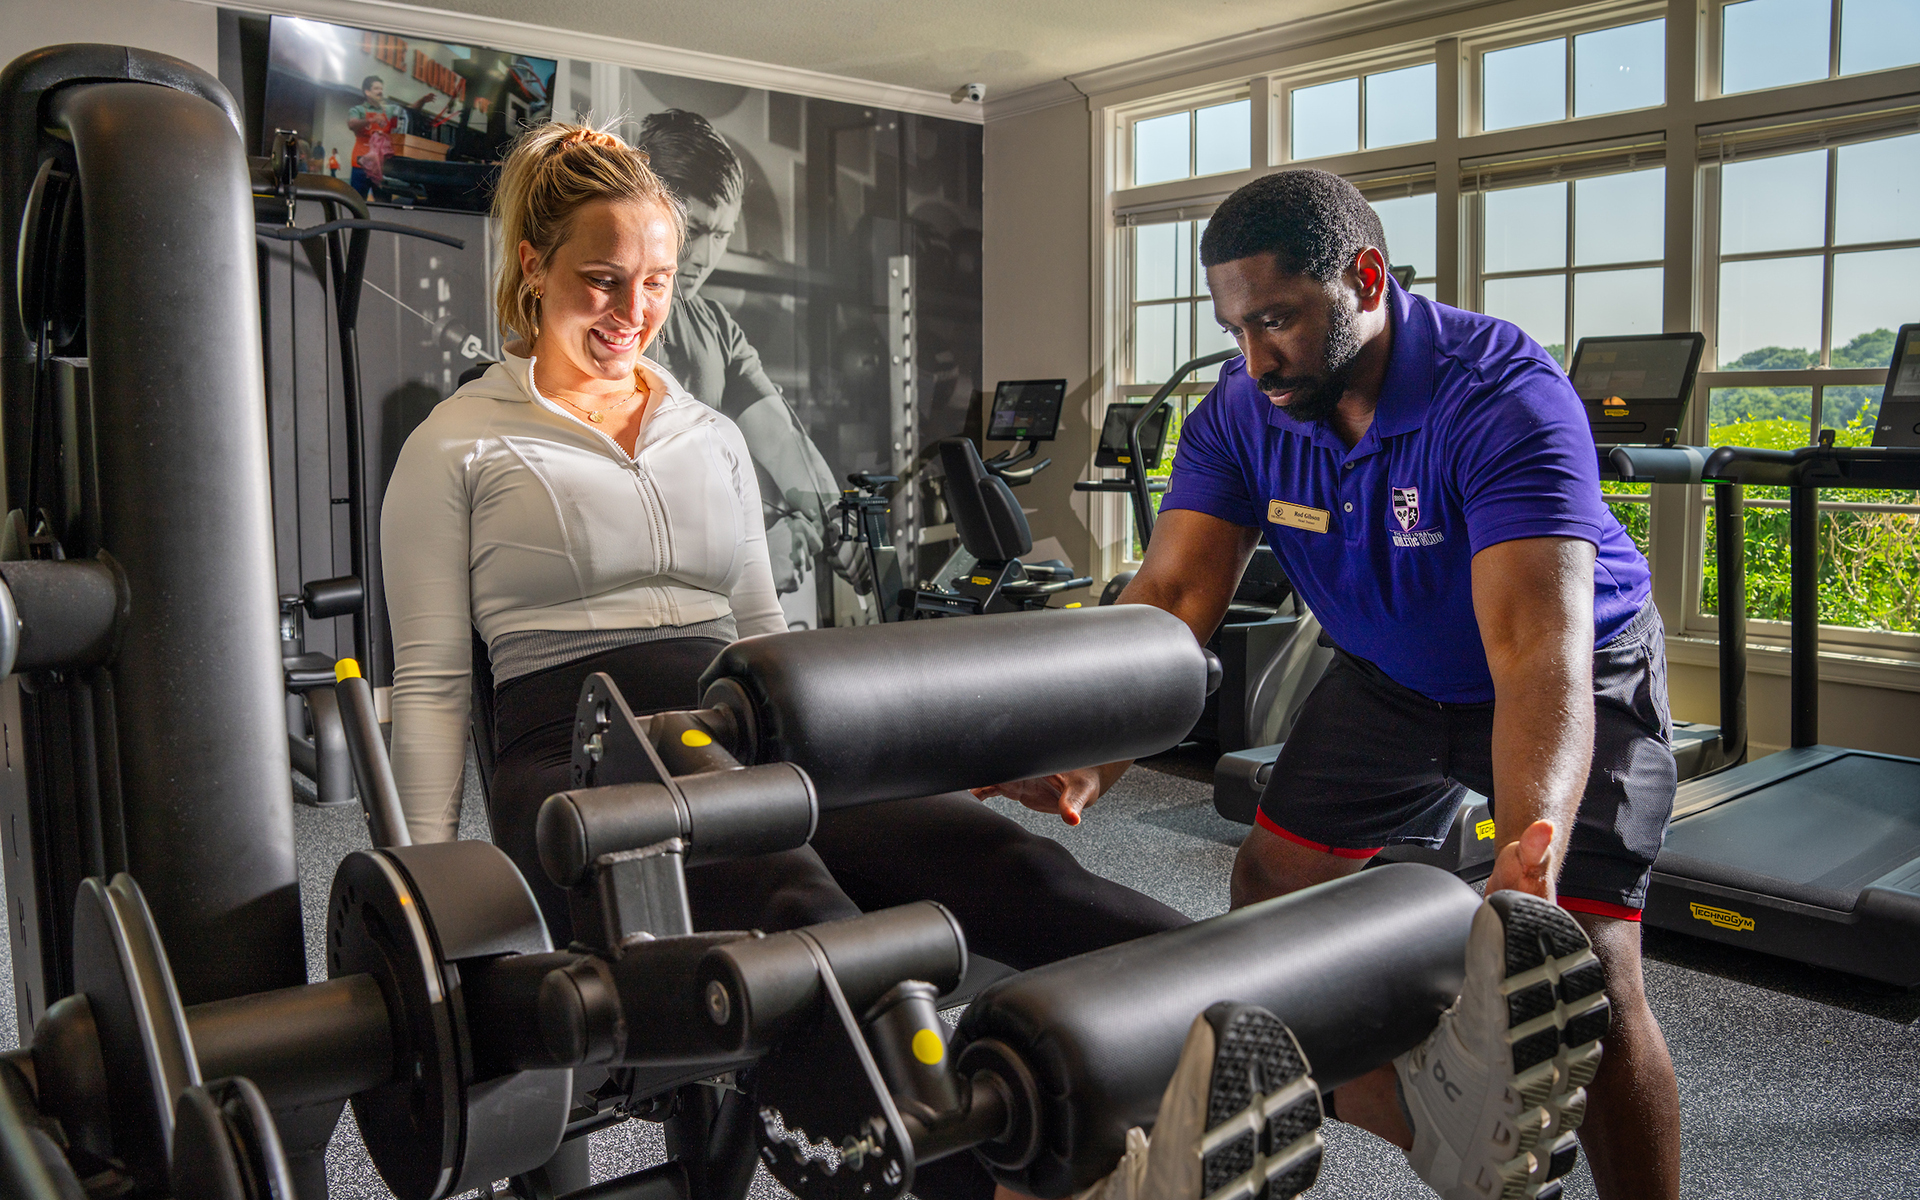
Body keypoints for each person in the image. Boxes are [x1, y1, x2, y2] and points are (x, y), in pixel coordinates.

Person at [381, 122, 1188, 1199]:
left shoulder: (708, 435)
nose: (633, 312)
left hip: (742, 732)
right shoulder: (457, 442)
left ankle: (1243, 1045)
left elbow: (769, 641)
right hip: (586, 766)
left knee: (1017, 872)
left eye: (655, 282)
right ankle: (981, 1180)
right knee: (812, 922)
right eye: (602, 280)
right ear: (533, 266)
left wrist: (947, 756)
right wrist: (426, 901)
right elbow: (435, 684)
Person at [978, 169, 1678, 1200]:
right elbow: (1172, 593)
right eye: (1235, 327)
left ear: (1367, 277)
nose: (1255, 356)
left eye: (1278, 320)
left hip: (1573, 668)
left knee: (1587, 971)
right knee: (1269, 886)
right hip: (1389, 680)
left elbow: (1535, 643)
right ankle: (1407, 1110)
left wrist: (1527, 859)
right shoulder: (1242, 411)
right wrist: (1092, 753)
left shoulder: (1499, 392)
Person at [635, 109, 838, 600]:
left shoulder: (716, 326)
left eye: (722, 235)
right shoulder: (609, 329)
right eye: (695, 229)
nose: (706, 256)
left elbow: (783, 441)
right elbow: (626, 505)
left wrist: (838, 523)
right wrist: (751, 558)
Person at [346, 75, 401, 198]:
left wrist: (422, 102)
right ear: (367, 92)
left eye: (381, 88)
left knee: (384, 203)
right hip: (361, 165)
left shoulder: (389, 111)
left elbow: (409, 110)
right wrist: (371, 119)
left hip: (382, 166)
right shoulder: (358, 110)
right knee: (357, 201)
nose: (380, 91)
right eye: (376, 88)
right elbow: (351, 124)